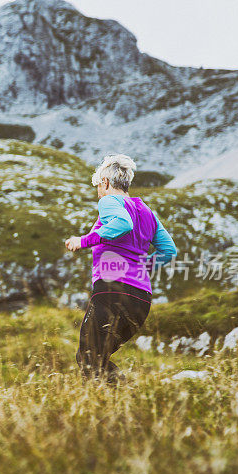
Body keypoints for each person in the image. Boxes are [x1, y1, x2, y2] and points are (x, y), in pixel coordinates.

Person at [64, 154, 177, 383]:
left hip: (112, 292)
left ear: (105, 182)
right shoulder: (147, 212)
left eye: (97, 186)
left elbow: (123, 223)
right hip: (141, 301)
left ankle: (125, 398)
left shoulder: (108, 201)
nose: (98, 192)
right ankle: (122, 403)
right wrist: (139, 267)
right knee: (95, 358)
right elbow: (169, 252)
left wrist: (84, 240)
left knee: (88, 358)